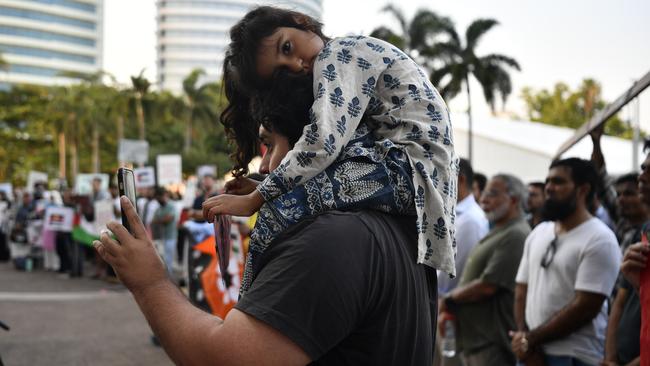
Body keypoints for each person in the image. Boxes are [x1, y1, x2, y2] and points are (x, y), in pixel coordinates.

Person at [205, 6, 459, 279]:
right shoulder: (344, 58)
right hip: (414, 171)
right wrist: (263, 188)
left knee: (277, 214)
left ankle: (246, 311)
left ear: (301, 22)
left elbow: (322, 144)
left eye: (287, 48)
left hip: (410, 170)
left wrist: (255, 200)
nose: (295, 66)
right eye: (281, 71)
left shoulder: (338, 54)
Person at [226, 71, 415, 294]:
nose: (264, 167)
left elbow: (241, 330)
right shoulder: (389, 218)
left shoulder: (320, 238)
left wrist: (171, 283)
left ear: (307, 149)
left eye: (270, 146)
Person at [511, 158, 621, 366]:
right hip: (530, 352)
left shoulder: (600, 238)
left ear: (583, 190)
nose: (549, 188)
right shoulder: (540, 232)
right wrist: (524, 341)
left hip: (573, 356)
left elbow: (585, 307)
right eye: (548, 182)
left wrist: (529, 340)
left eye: (559, 182)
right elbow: (521, 289)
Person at [440, 174, 530, 366]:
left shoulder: (516, 234)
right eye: (485, 193)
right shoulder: (500, 229)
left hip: (490, 342)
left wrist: (449, 299)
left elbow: (488, 285)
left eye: (493, 194)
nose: (484, 199)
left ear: (513, 200)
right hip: (476, 339)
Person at [438, 158, 488, 296]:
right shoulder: (456, 212)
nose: (439, 183)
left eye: (443, 176)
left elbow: (453, 273)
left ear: (460, 179)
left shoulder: (471, 220)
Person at [151, 187, 177, 274]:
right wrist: (161, 220)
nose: (158, 200)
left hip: (170, 236)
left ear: (164, 195)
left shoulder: (171, 206)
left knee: (169, 260)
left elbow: (168, 219)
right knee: (163, 260)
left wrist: (160, 220)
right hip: (161, 237)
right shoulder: (159, 209)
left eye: (159, 197)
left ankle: (170, 280)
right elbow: (153, 221)